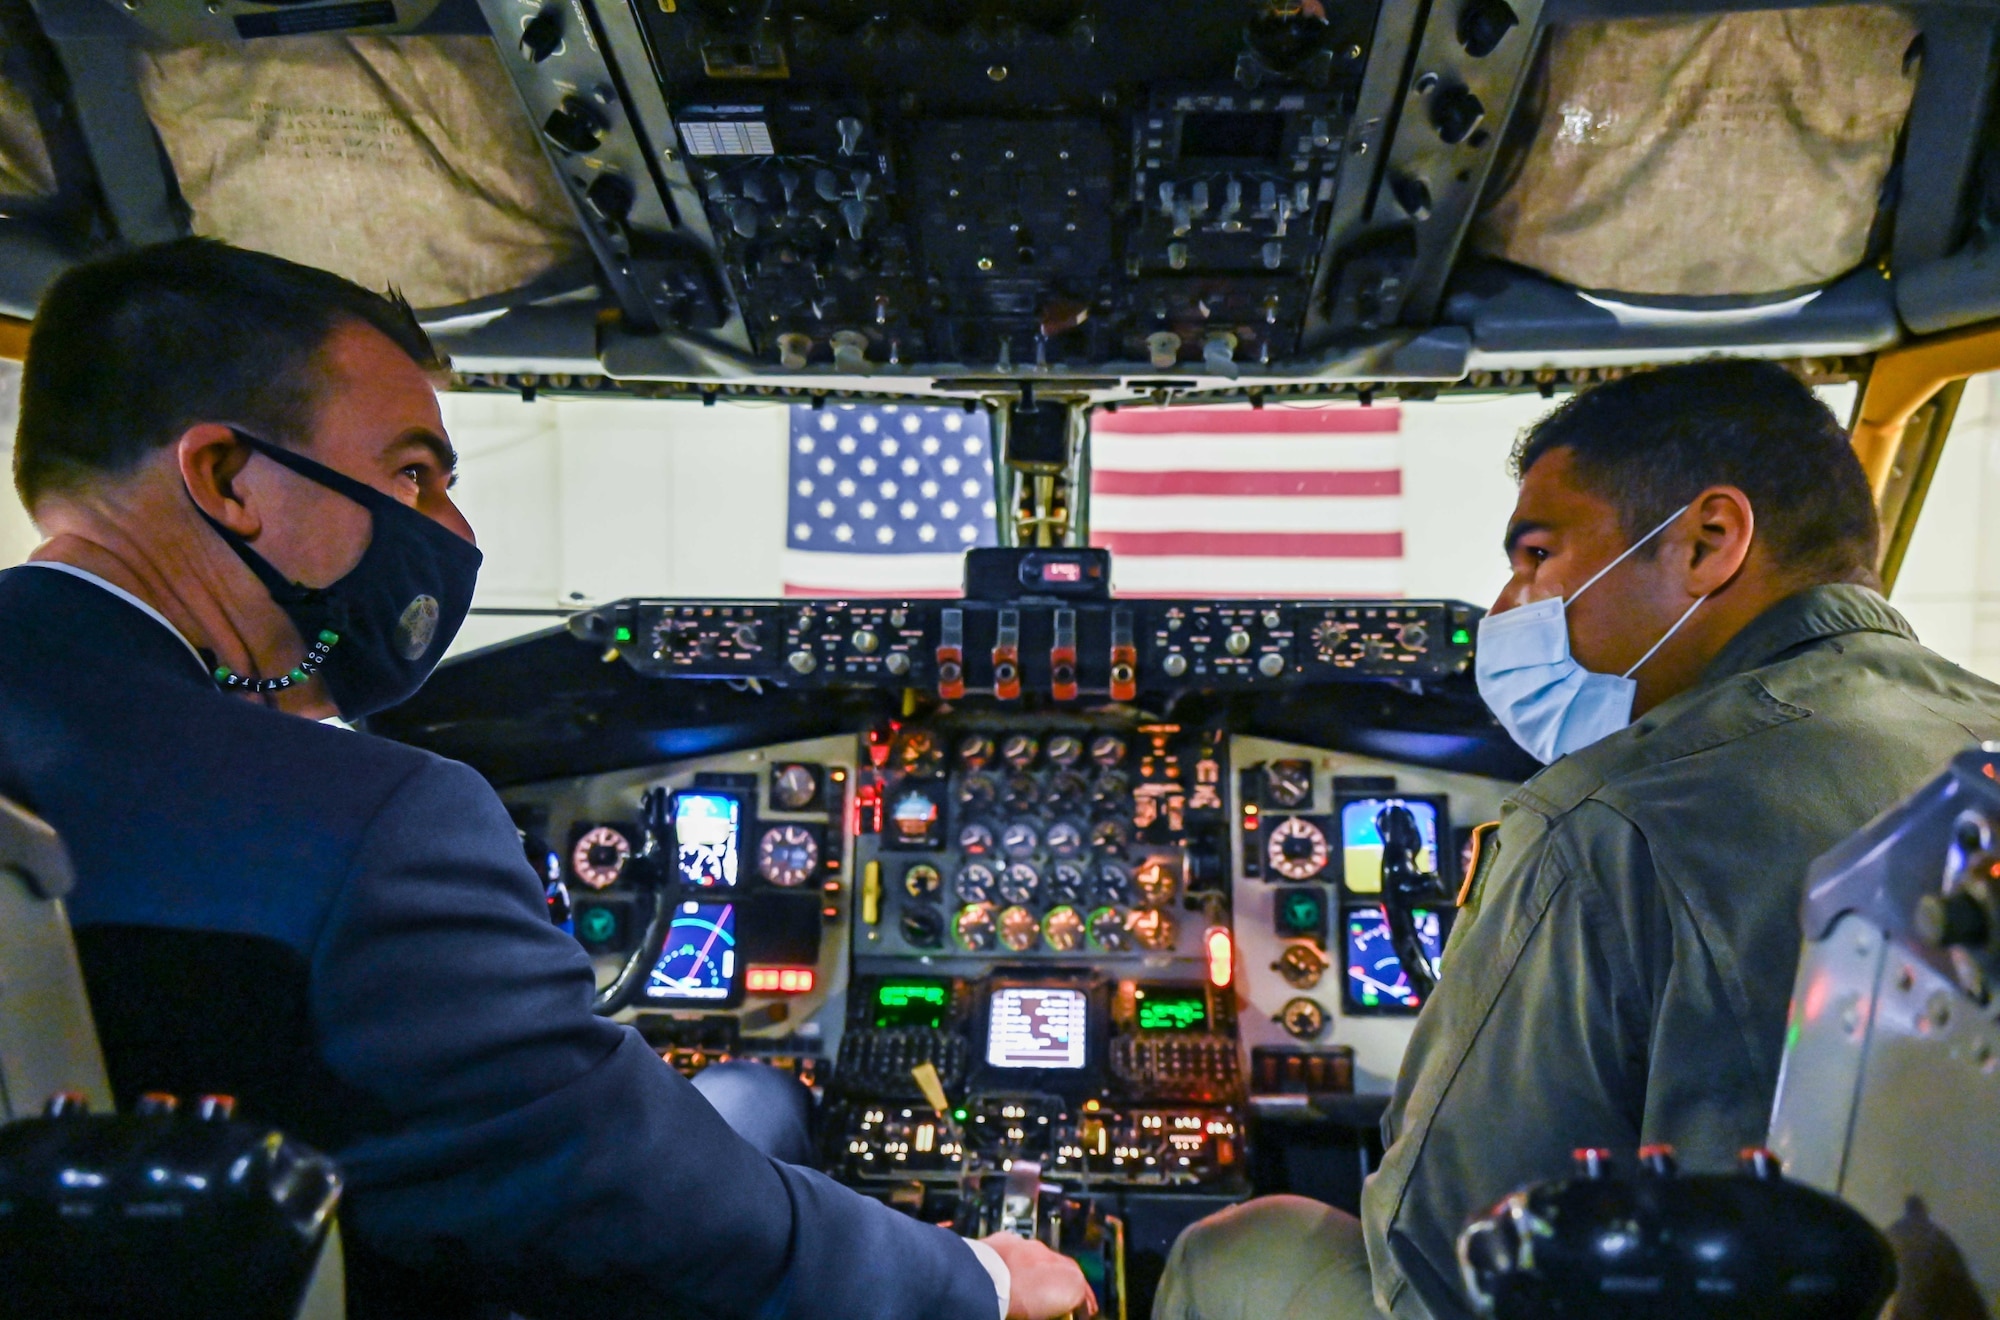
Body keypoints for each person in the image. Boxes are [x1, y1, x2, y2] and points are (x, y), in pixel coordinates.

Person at [0, 238, 1092, 1320]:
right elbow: (634, 1204)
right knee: (750, 1105)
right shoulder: (369, 822)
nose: (455, 531)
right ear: (228, 479)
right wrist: (981, 1276)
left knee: (746, 1099)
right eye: (413, 474)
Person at [1152, 360, 2000, 1320]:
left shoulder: (1603, 820)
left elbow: (1442, 1247)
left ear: (1708, 541)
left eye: (1538, 556)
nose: (1511, 606)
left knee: (1242, 1249)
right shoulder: (1986, 735)